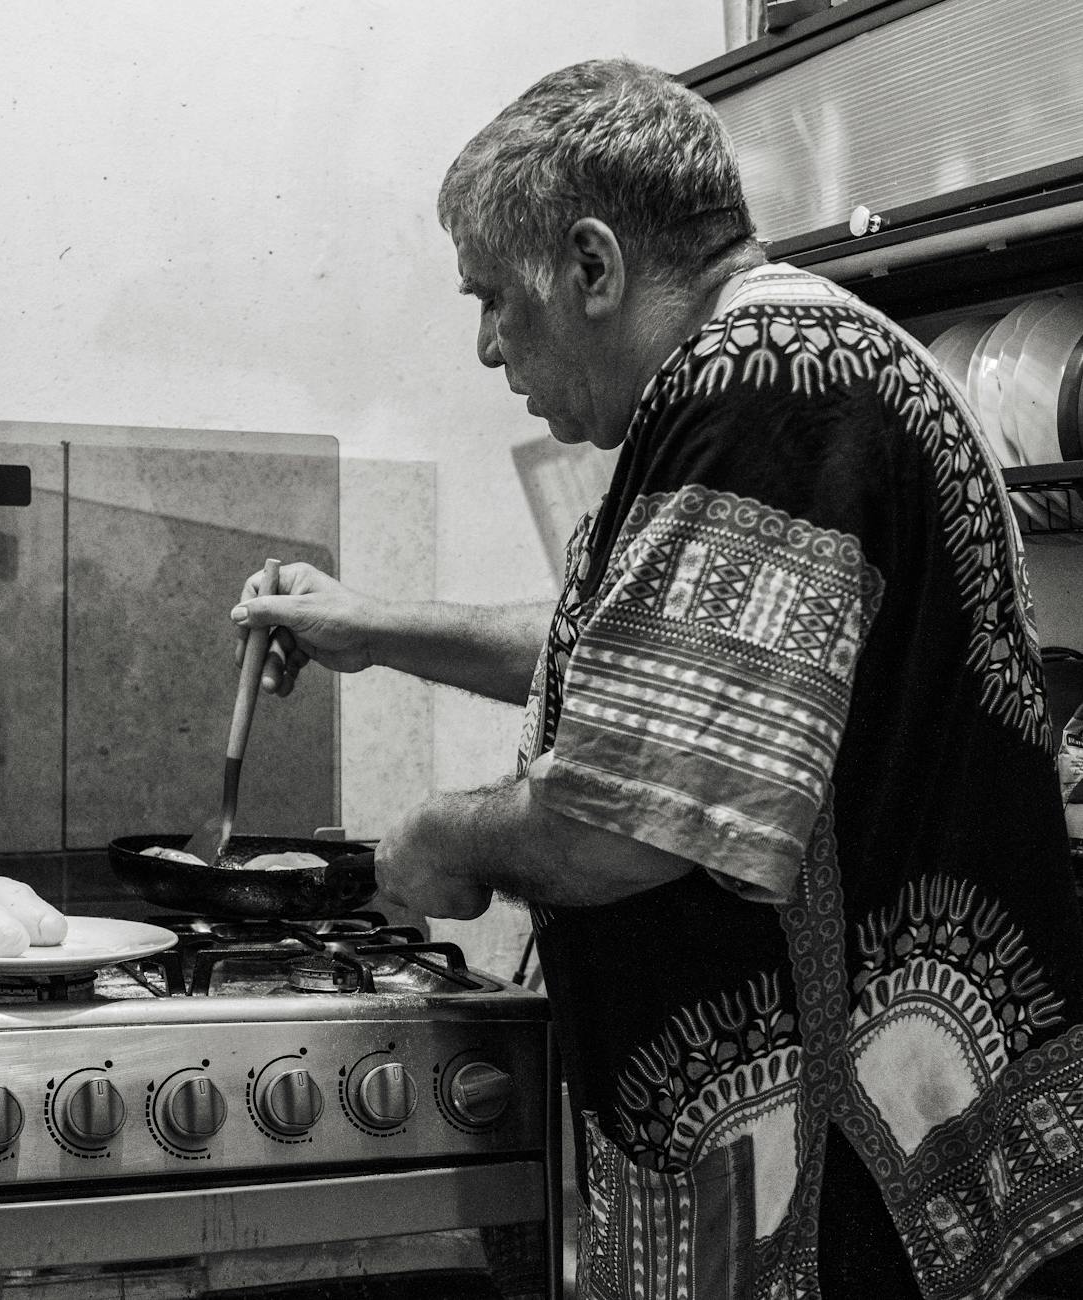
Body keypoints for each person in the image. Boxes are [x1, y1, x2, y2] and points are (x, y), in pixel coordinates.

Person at [232, 59, 1083, 1300]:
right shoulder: (771, 366)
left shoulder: (763, 390)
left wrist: (436, 839)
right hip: (849, 1160)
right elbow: (661, 668)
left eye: (491, 299)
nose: (484, 347)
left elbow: (637, 814)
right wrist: (377, 626)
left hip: (864, 1187)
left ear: (591, 266)